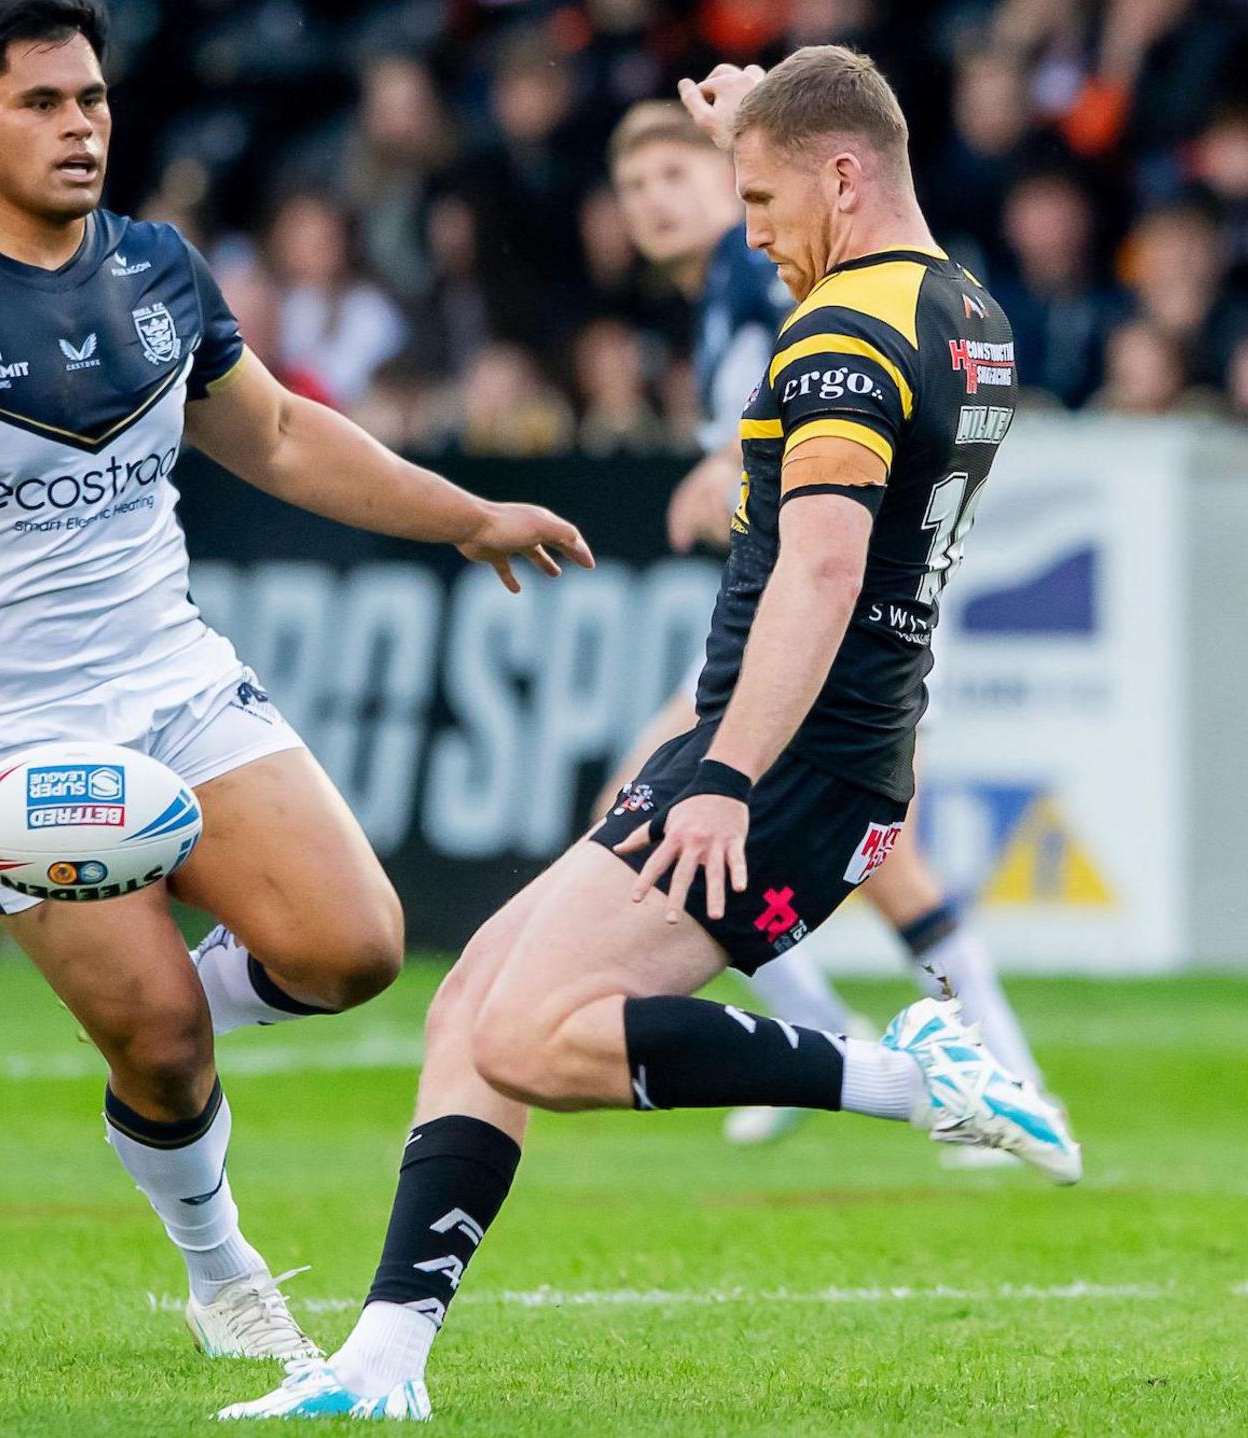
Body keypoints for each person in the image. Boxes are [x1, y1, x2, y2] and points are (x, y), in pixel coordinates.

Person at [0, 0, 587, 1366]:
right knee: (167, 1047)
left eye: (94, 101)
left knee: (353, 948)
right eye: (45, 103)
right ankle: (221, 1268)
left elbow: (284, 438)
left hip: (171, 679)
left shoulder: (160, 270)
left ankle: (145, 993)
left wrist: (464, 514)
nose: (80, 127)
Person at [223, 49, 1078, 1422]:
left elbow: (818, 569)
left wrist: (725, 773)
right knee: (470, 1003)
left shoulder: (843, 333)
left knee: (528, 1038)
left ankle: (914, 1072)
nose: (748, 234)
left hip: (782, 753)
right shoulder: (964, 307)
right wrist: (764, 126)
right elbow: (841, 161)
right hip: (827, 743)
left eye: (758, 199)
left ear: (843, 180)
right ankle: (382, 1363)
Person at [600, 95, 1054, 1151]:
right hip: (825, 607)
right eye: (633, 189)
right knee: (888, 864)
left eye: (684, 178)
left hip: (832, 612)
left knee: (657, 814)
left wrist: (720, 470)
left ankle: (859, 1050)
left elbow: (836, 373)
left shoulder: (768, 274)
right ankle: (980, 1072)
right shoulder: (725, 287)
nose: (654, 204)